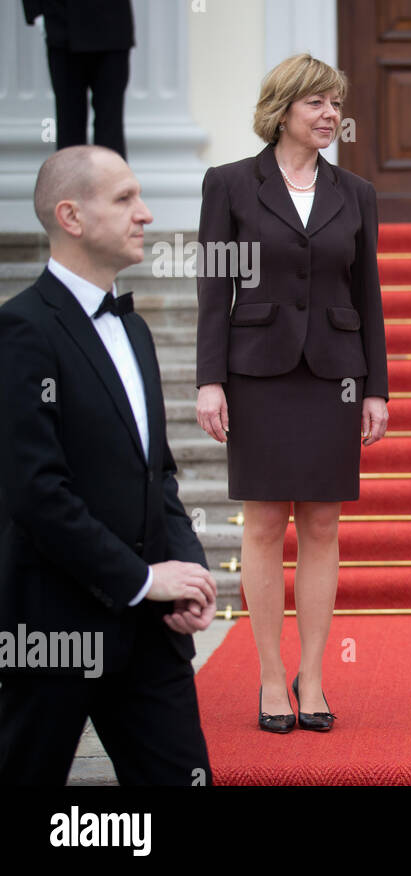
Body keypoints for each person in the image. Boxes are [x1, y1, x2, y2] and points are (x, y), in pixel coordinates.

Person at [0, 145, 217, 784]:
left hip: (152, 637)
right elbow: (37, 494)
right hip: (53, 631)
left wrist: (191, 576)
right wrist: (144, 580)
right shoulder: (20, 331)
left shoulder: (137, 329)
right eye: (124, 199)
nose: (145, 214)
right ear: (70, 215)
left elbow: (161, 475)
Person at [194, 54, 388, 734]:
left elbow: (368, 294)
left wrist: (375, 389)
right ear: (282, 110)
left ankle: (313, 677)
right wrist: (209, 379)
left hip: (335, 374)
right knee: (265, 523)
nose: (331, 115)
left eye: (336, 103)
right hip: (257, 373)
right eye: (317, 104)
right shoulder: (229, 185)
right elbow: (214, 288)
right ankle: (270, 679)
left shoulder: (355, 191)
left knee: (324, 524)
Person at [22, 0, 134, 158]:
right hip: (62, 23)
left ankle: (111, 182)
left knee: (110, 127)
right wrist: (36, 11)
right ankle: (69, 181)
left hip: (112, 25)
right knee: (69, 124)